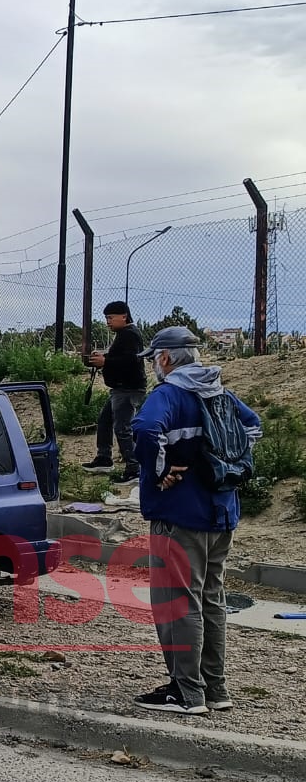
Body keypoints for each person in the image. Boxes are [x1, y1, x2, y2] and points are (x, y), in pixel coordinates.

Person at [130, 326, 261, 716]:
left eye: (154, 359)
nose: (154, 367)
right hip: (222, 513)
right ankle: (215, 689)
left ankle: (187, 693)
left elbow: (145, 430)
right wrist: (226, 467)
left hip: (179, 515)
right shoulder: (220, 393)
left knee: (178, 601)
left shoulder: (168, 394)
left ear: (165, 358)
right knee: (211, 600)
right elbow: (253, 426)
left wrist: (161, 471)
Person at [82, 300, 148, 485]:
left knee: (122, 428)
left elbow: (131, 360)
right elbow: (123, 357)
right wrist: (105, 357)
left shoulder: (129, 334)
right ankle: (104, 458)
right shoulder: (124, 334)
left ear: (124, 316)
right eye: (106, 318)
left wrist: (105, 361)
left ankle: (134, 469)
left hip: (128, 389)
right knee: (105, 421)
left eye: (110, 318)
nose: (108, 322)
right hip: (121, 389)